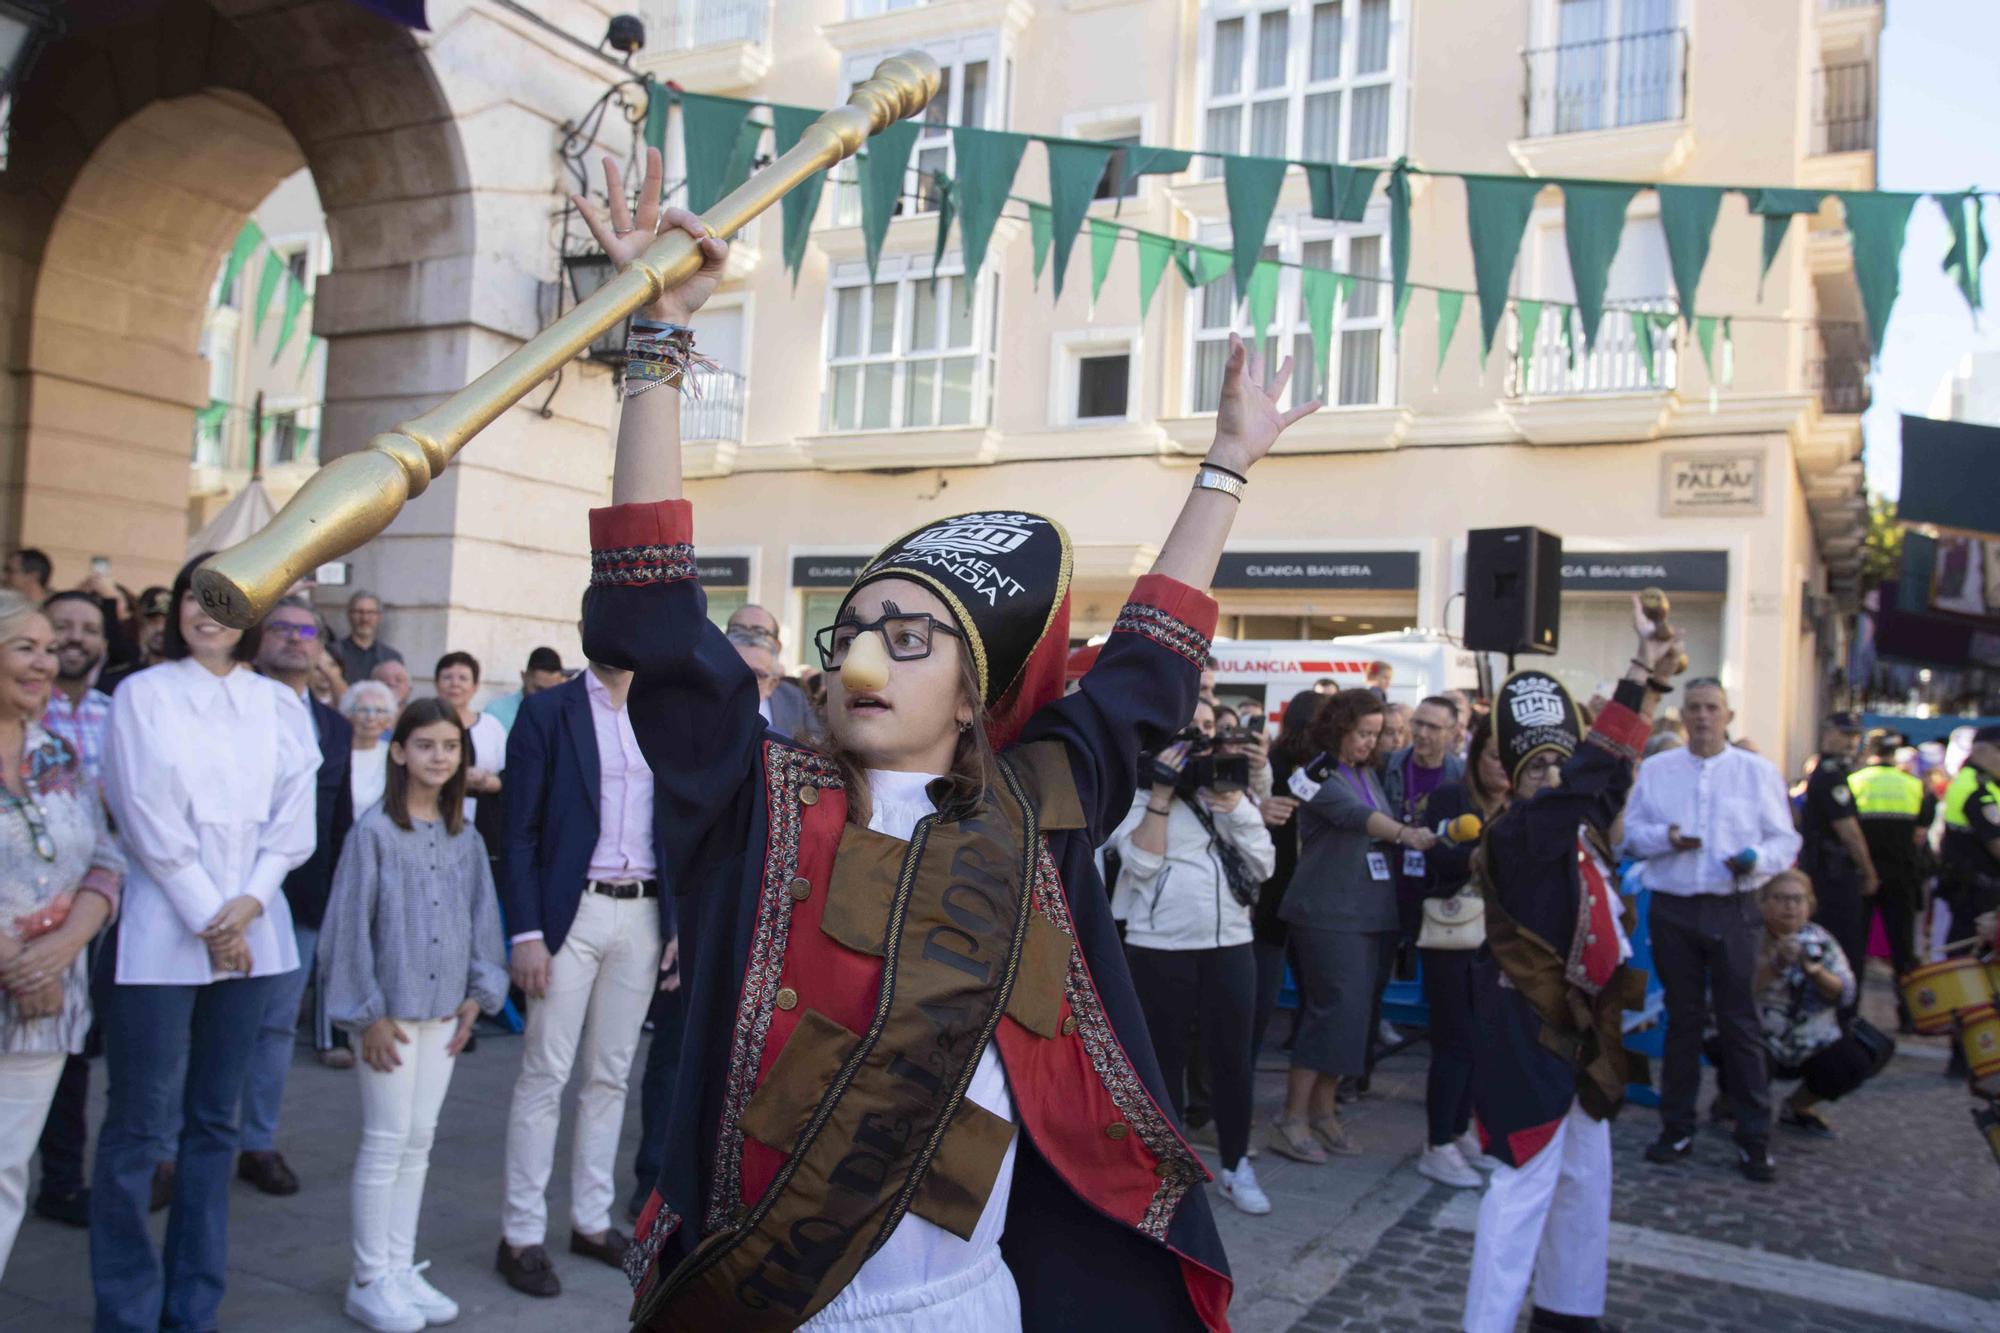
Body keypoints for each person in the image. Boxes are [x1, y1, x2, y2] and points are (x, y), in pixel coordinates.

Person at [574, 156, 1313, 1329]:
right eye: (854, 627)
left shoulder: (1035, 804)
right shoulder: (762, 792)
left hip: (970, 1301)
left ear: (973, 694)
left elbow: (1142, 674)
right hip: (780, 1296)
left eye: (911, 637)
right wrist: (655, 351)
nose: (867, 655)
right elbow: (654, 622)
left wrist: (1225, 466)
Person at [91, 554, 317, 1333]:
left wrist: (247, 905)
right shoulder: (139, 695)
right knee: (136, 1125)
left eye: (225, 598)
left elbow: (295, 820)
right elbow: (143, 814)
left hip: (257, 932)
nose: (207, 610)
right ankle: (123, 1309)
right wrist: (212, 919)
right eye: (194, 595)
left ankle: (193, 1307)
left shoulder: (279, 704)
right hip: (162, 930)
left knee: (215, 1125)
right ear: (176, 607)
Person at [1461, 612, 1678, 1333]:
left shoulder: (1579, 822)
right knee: (1523, 1182)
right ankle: (1486, 1323)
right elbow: (1591, 778)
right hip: (1531, 1026)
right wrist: (1635, 677)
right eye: (1538, 768)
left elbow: (1607, 781)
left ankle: (1567, 1312)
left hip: (1587, 1023)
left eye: (1559, 762)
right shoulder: (1522, 831)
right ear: (1515, 781)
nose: (1553, 774)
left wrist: (1649, 680)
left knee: (1587, 1176)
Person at [496, 626, 677, 1296]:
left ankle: (591, 1219)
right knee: (544, 1072)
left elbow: (678, 823)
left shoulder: (661, 710)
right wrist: (524, 932)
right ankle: (519, 1233)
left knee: (610, 1075)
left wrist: (677, 924)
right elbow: (518, 829)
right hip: (567, 913)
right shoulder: (548, 710)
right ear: (584, 630)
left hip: (644, 911)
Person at [319, 698, 508, 1333]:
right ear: (399, 751)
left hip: (442, 1014)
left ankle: (399, 1265)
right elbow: (346, 930)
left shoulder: (465, 837)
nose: (438, 757)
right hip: (391, 1016)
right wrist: (365, 1015)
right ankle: (369, 1276)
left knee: (420, 1142)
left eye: (449, 747)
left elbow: (484, 919)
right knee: (385, 1142)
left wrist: (481, 991)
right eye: (425, 744)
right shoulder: (374, 834)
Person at [1619, 678, 1800, 1181]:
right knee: (1682, 1020)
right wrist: (1666, 838)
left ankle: (1754, 1138)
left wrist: (1756, 859)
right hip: (1675, 906)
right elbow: (1632, 835)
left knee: (1740, 1021)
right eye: (1695, 708)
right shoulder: (1657, 770)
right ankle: (1675, 1128)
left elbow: (1784, 840)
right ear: (1683, 714)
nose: (1703, 717)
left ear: (1728, 715)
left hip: (1733, 905)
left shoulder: (1756, 773)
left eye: (1712, 709)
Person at [1110, 700, 1278, 1216]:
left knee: (1233, 1060)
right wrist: (1161, 795)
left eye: (1209, 729)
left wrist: (1238, 808)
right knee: (1164, 1062)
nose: (1202, 740)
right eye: (1190, 730)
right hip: (1159, 947)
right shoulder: (1135, 794)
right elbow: (1138, 865)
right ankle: (1169, 1169)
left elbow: (1264, 864)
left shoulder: (1227, 790)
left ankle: (1234, 1166)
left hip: (1230, 944)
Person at [0, 591, 122, 1272]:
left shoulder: (57, 753)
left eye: (50, 649)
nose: (45, 661)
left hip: (47, 1004)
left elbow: (105, 859)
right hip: (27, 979)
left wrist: (63, 948)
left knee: (7, 1174)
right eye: (27, 646)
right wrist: (21, 961)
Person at [1273, 688, 1437, 1162]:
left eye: (1376, 734)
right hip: (1327, 911)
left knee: (1353, 1017)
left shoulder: (1368, 771)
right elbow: (1358, 817)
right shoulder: (1319, 772)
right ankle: (1292, 1115)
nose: (1370, 742)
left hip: (1369, 911)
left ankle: (1323, 1112)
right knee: (1331, 1012)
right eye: (1362, 733)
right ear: (1339, 729)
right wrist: (1406, 834)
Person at [238, 597, 356, 1193]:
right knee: (207, 1027)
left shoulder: (334, 726)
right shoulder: (232, 708)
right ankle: (171, 1150)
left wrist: (336, 897)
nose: (292, 638)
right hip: (227, 897)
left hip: (302, 900)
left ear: (320, 646)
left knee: (276, 1026)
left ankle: (256, 1142)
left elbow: (336, 818)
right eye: (279, 627)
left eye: (305, 630)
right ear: (257, 639)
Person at [1707, 871, 1881, 1140]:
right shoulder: (1746, 936)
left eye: (1798, 899)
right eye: (1781, 899)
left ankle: (1798, 1107)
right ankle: (1730, 1099)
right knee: (1742, 1052)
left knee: (1858, 1056)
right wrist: (1775, 966)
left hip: (1811, 1039)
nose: (1790, 906)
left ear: (1809, 905)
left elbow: (1845, 993)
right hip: (1759, 1036)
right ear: (1761, 903)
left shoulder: (1821, 940)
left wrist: (1816, 973)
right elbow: (1731, 992)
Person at [1409, 714, 1505, 1189]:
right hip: (1453, 933)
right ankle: (1436, 1144)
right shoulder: (1451, 795)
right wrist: (1480, 854)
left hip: (1500, 938)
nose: (1504, 767)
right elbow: (1436, 857)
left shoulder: (1517, 801)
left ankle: (1460, 1127)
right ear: (1476, 752)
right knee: (1454, 1039)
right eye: (1494, 756)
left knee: (1482, 1039)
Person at [1846, 730, 1932, 1025]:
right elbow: (1921, 834)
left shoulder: (1853, 782)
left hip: (1861, 873)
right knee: (1902, 947)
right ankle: (1909, 1014)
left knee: (1855, 945)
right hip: (1901, 874)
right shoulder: (1913, 785)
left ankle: (1850, 1012)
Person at [1250, 691, 1318, 1062]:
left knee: (1310, 991)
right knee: (1264, 991)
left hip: (1301, 895)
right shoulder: (1275, 764)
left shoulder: (1322, 769)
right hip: (1274, 895)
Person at [1795, 712, 1875, 1016]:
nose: (1852, 743)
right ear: (1829, 733)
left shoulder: (1830, 772)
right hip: (1832, 877)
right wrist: (1868, 872)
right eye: (1846, 735)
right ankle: (1841, 1017)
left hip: (1827, 872)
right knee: (1843, 946)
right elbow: (1849, 832)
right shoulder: (1830, 774)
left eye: (1855, 736)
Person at [435, 652, 506, 881]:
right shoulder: (426, 724)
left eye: (463, 678)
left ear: (475, 686)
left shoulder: (491, 726)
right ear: (437, 683)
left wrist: (488, 782)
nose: (455, 684)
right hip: (436, 816)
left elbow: (508, 773)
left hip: (484, 822)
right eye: (448, 677)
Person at [1938, 726, 2000, 956]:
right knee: (1969, 960)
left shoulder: (1986, 783)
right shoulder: (1977, 787)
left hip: (1975, 888)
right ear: (1978, 751)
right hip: (1976, 892)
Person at [729, 605, 818, 741]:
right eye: (736, 630)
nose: (748, 636)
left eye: (760, 631)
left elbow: (817, 744)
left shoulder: (794, 698)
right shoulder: (699, 696)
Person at [99, 587, 171, 695]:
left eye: (168, 622)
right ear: (142, 626)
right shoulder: (121, 681)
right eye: (153, 621)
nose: (160, 628)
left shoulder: (191, 680)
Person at [484, 646, 567, 734]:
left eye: (552, 691)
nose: (545, 697)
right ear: (524, 677)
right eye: (539, 689)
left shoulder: (566, 716)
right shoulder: (496, 713)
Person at [333, 591, 404, 689]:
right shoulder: (333, 653)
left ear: (379, 617)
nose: (365, 619)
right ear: (349, 615)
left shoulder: (392, 657)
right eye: (359, 612)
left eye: (370, 613)